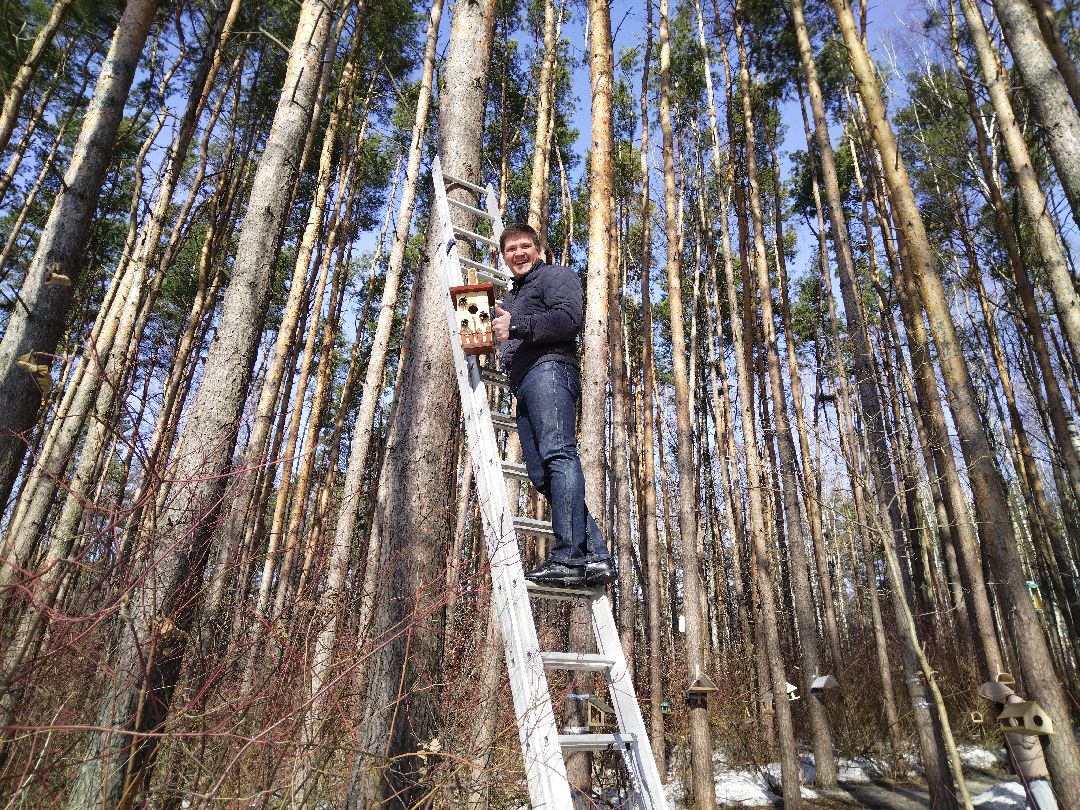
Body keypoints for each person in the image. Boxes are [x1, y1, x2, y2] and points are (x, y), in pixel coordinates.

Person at [491, 223, 616, 589]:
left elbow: (567, 319)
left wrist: (515, 328)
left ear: (538, 248)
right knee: (542, 475)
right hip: (524, 384)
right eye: (511, 249)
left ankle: (568, 558)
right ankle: (595, 555)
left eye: (525, 246)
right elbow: (503, 331)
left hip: (550, 370)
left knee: (559, 455)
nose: (518, 254)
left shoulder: (557, 277)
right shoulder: (511, 299)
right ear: (504, 256)